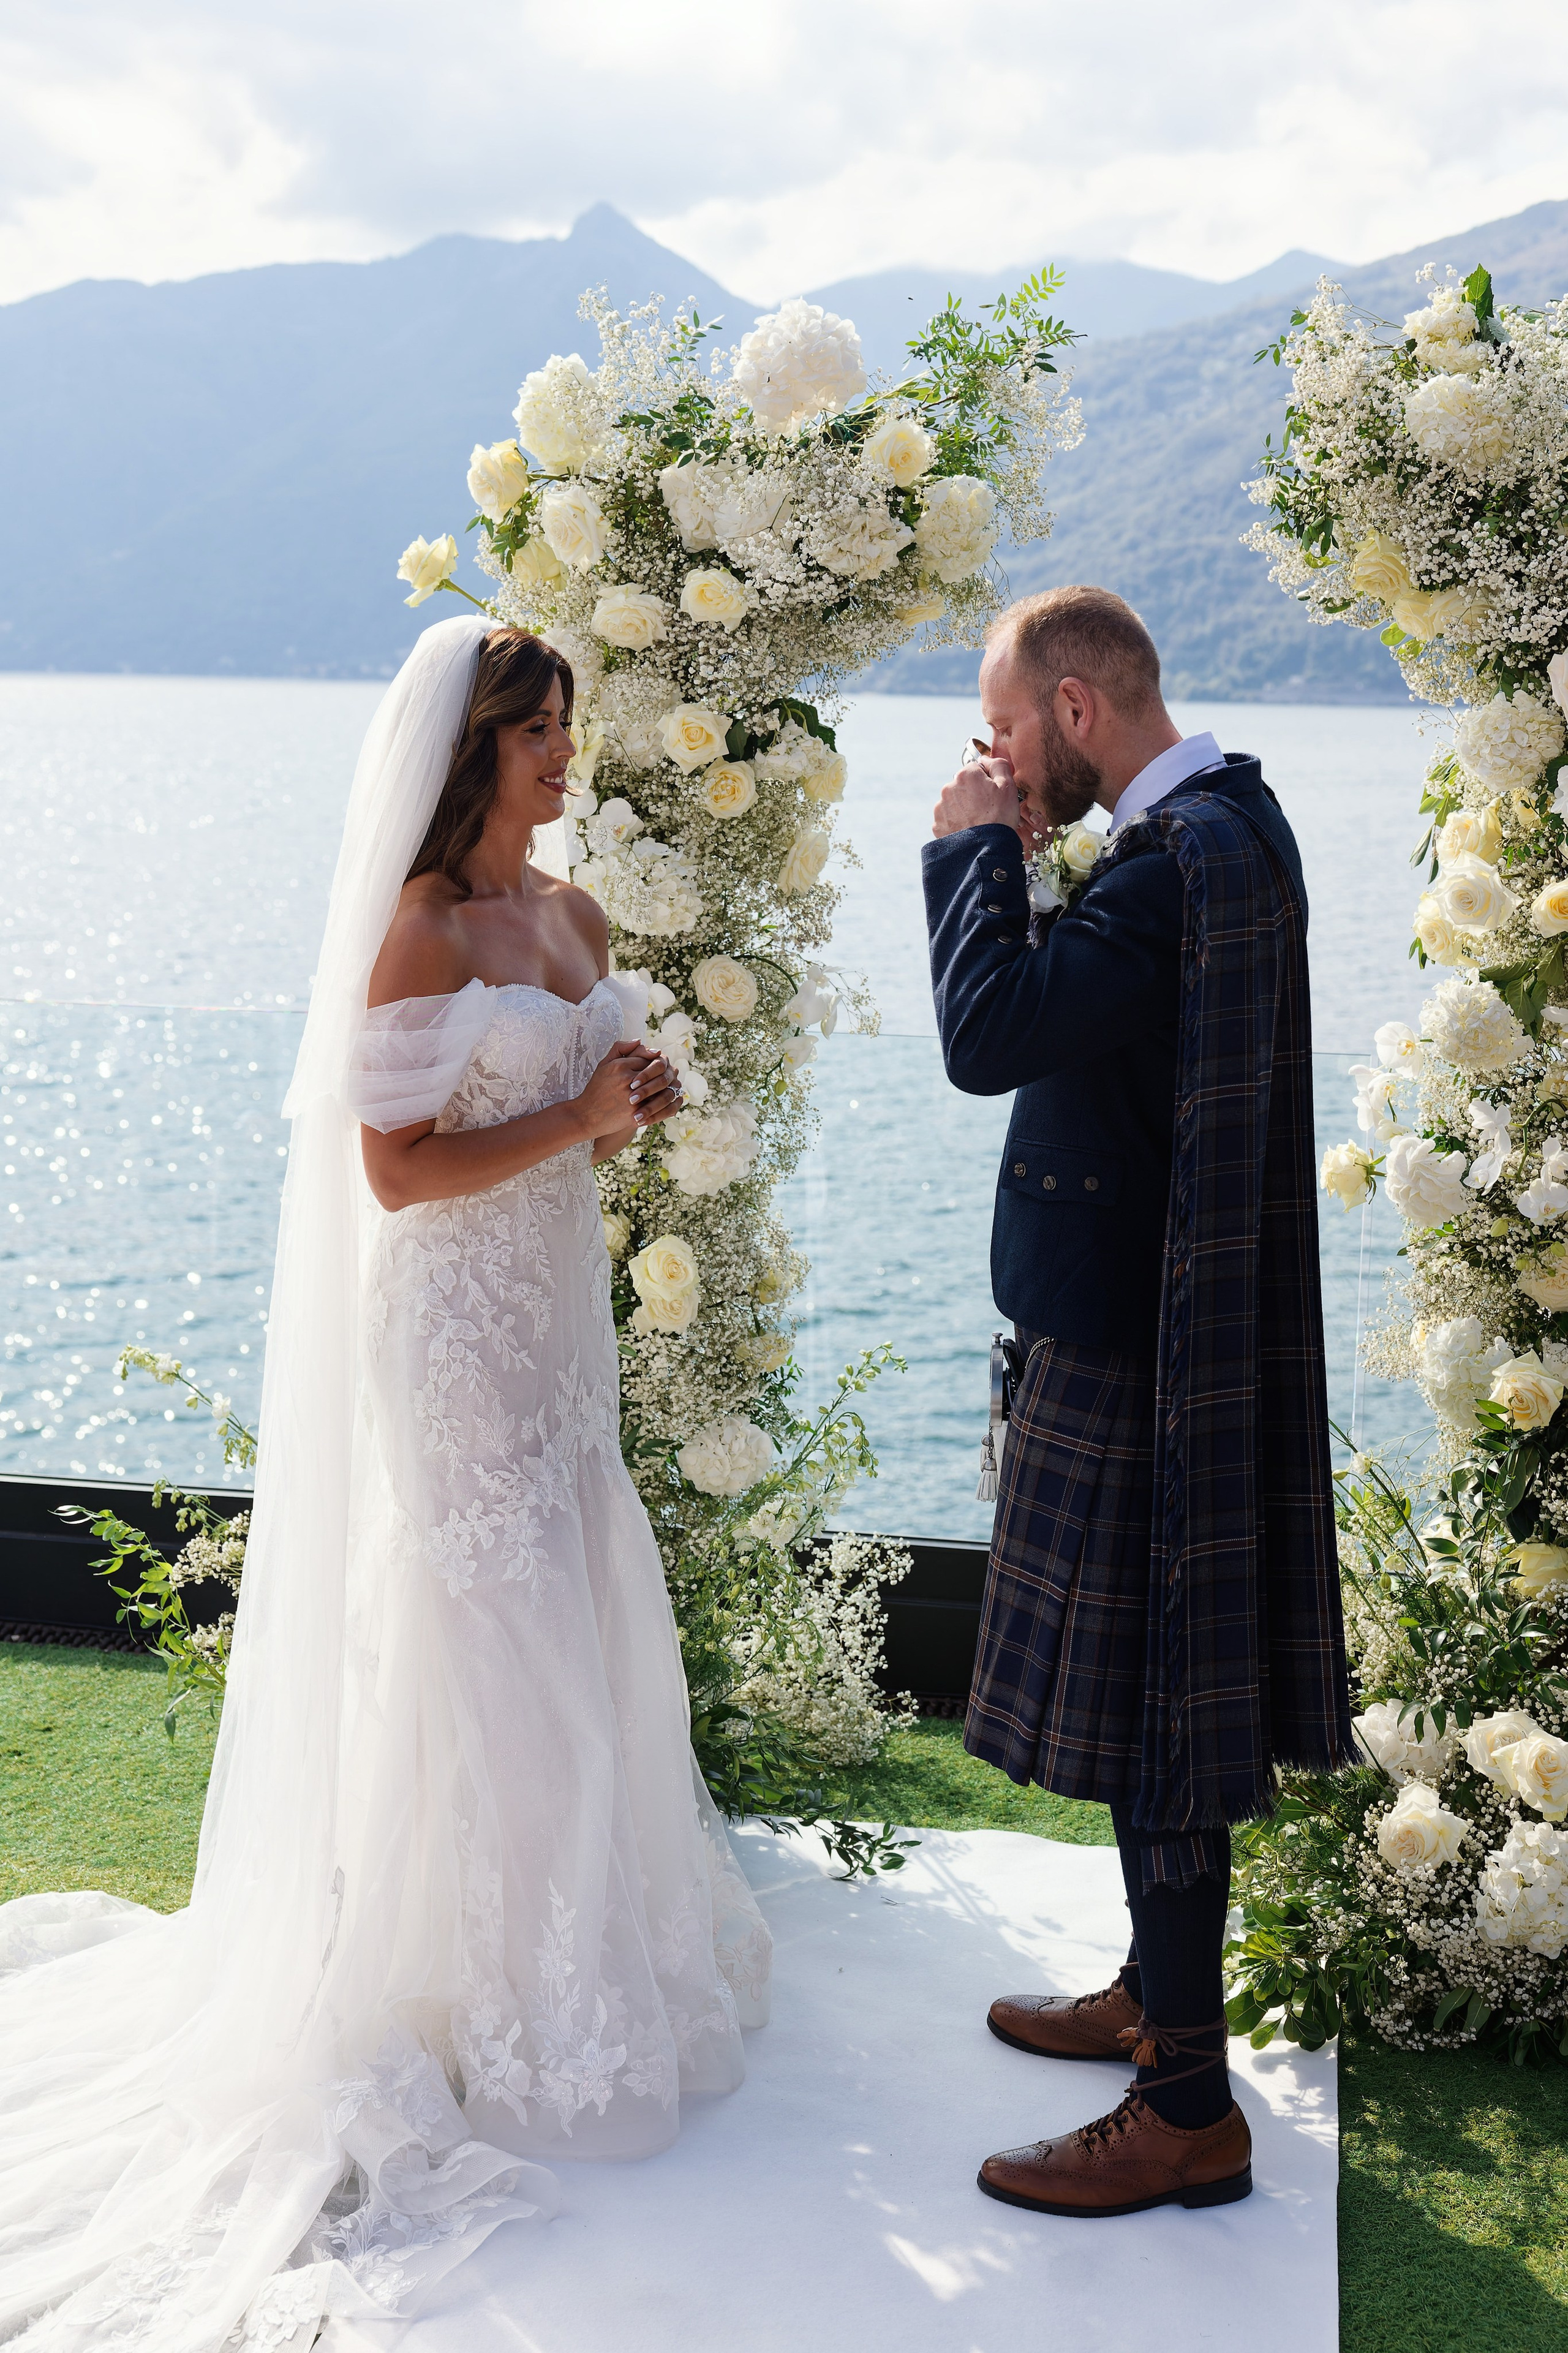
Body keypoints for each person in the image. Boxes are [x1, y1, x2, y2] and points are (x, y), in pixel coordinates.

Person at [0, 617, 771, 2350]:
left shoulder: (575, 917)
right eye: (542, 729)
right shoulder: (418, 934)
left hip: (563, 1335)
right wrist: (575, 1126)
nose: (567, 752)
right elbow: (399, 1170)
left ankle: (579, 1970)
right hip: (452, 1341)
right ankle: (496, 2007)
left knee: (580, 1616)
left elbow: (581, 1102)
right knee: (492, 1650)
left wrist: (621, 1095)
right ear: (473, 747)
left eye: (570, 722)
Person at [922, 585, 1352, 2220]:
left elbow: (988, 1033)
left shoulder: (1174, 868)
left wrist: (973, 848)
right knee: (1139, 1700)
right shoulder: (1236, 825)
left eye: (1006, 727)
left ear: (1079, 711)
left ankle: (1184, 2102)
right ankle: (1155, 1994)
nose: (994, 755)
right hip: (1168, 1329)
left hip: (1144, 1357)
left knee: (1159, 1703)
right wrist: (1030, 861)